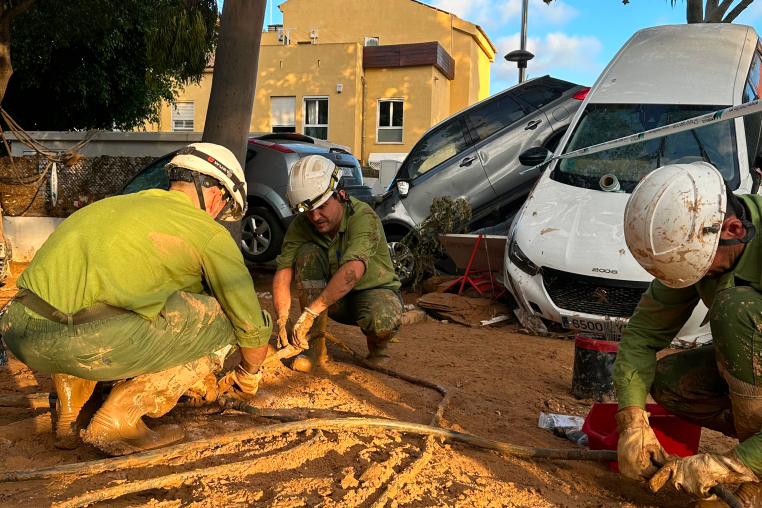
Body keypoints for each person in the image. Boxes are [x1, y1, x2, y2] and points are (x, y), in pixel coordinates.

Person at [0, 143, 272, 456]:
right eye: (224, 208)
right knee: (223, 319)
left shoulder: (115, 206)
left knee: (84, 298)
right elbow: (249, 325)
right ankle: (121, 416)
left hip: (19, 329)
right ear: (217, 194)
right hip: (81, 341)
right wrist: (249, 375)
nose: (219, 216)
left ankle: (73, 412)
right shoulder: (205, 231)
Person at [615, 162, 762, 505]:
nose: (699, 276)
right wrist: (632, 420)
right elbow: (642, 334)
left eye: (701, 267)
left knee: (734, 310)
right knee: (672, 380)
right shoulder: (703, 241)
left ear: (734, 229)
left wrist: (735, 464)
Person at [272, 155, 403, 372]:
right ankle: (314, 350)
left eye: (322, 206)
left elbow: (353, 269)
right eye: (307, 210)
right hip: (333, 301)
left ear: (340, 194)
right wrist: (282, 317)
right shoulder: (302, 225)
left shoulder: (364, 217)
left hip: (373, 294)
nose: (315, 216)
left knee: (380, 320)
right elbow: (284, 270)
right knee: (306, 254)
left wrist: (312, 312)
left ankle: (378, 348)